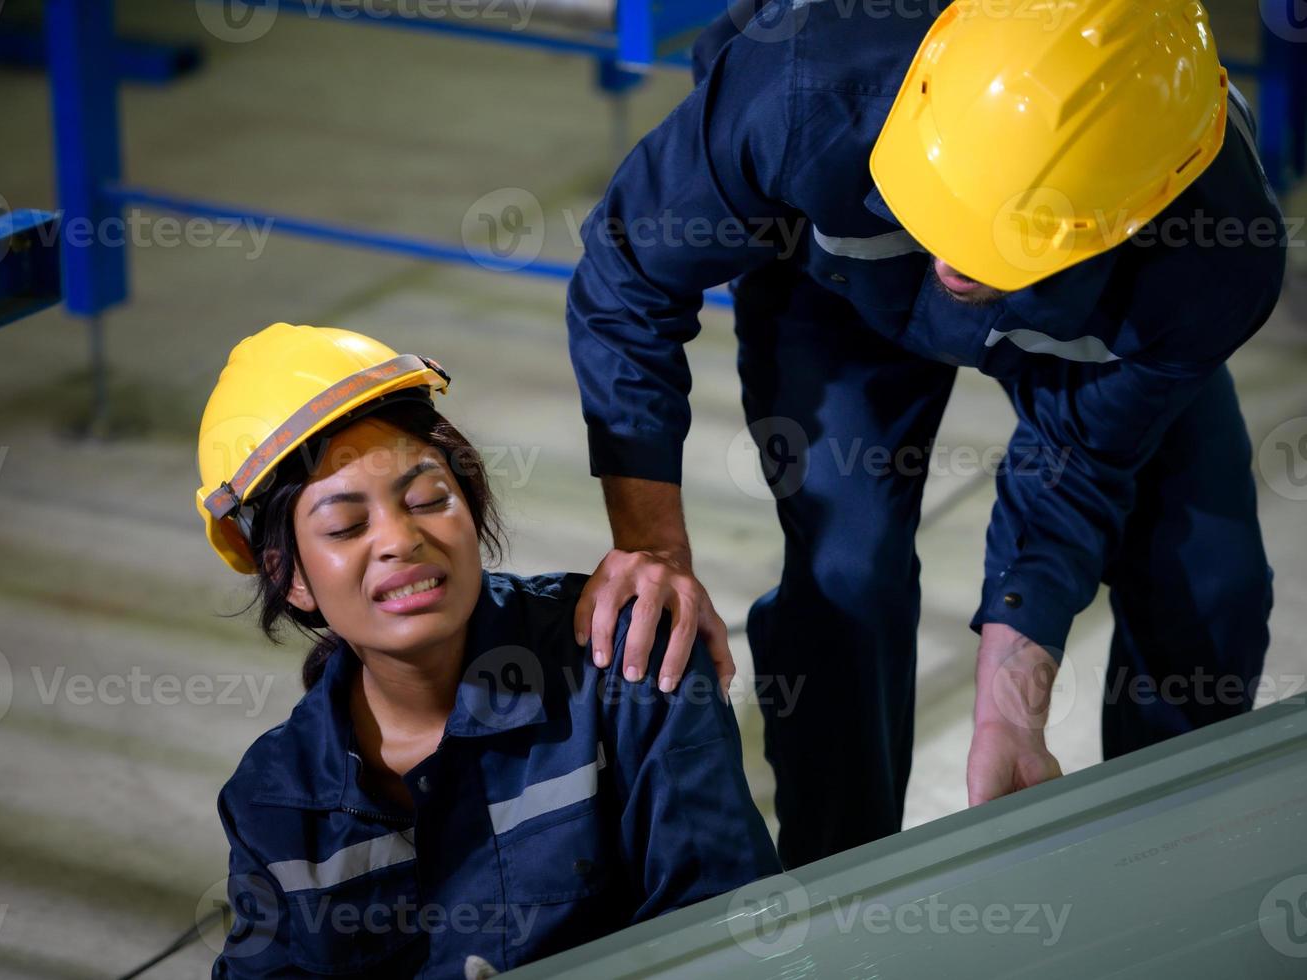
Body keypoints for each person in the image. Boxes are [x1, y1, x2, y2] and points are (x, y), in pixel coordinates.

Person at [566, 0, 1286, 869]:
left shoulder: (1212, 256)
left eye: (990, 244)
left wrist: (1009, 710)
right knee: (847, 581)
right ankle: (842, 884)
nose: (948, 261)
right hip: (838, 284)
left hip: (1099, 301)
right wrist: (656, 556)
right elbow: (629, 273)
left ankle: (1167, 874)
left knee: (1210, 582)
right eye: (946, 215)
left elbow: (1078, 459)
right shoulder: (802, 87)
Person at [194, 323, 780, 978]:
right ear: (289, 575)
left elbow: (728, 932)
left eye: (427, 499)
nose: (400, 540)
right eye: (346, 526)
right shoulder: (277, 801)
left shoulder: (624, 660)